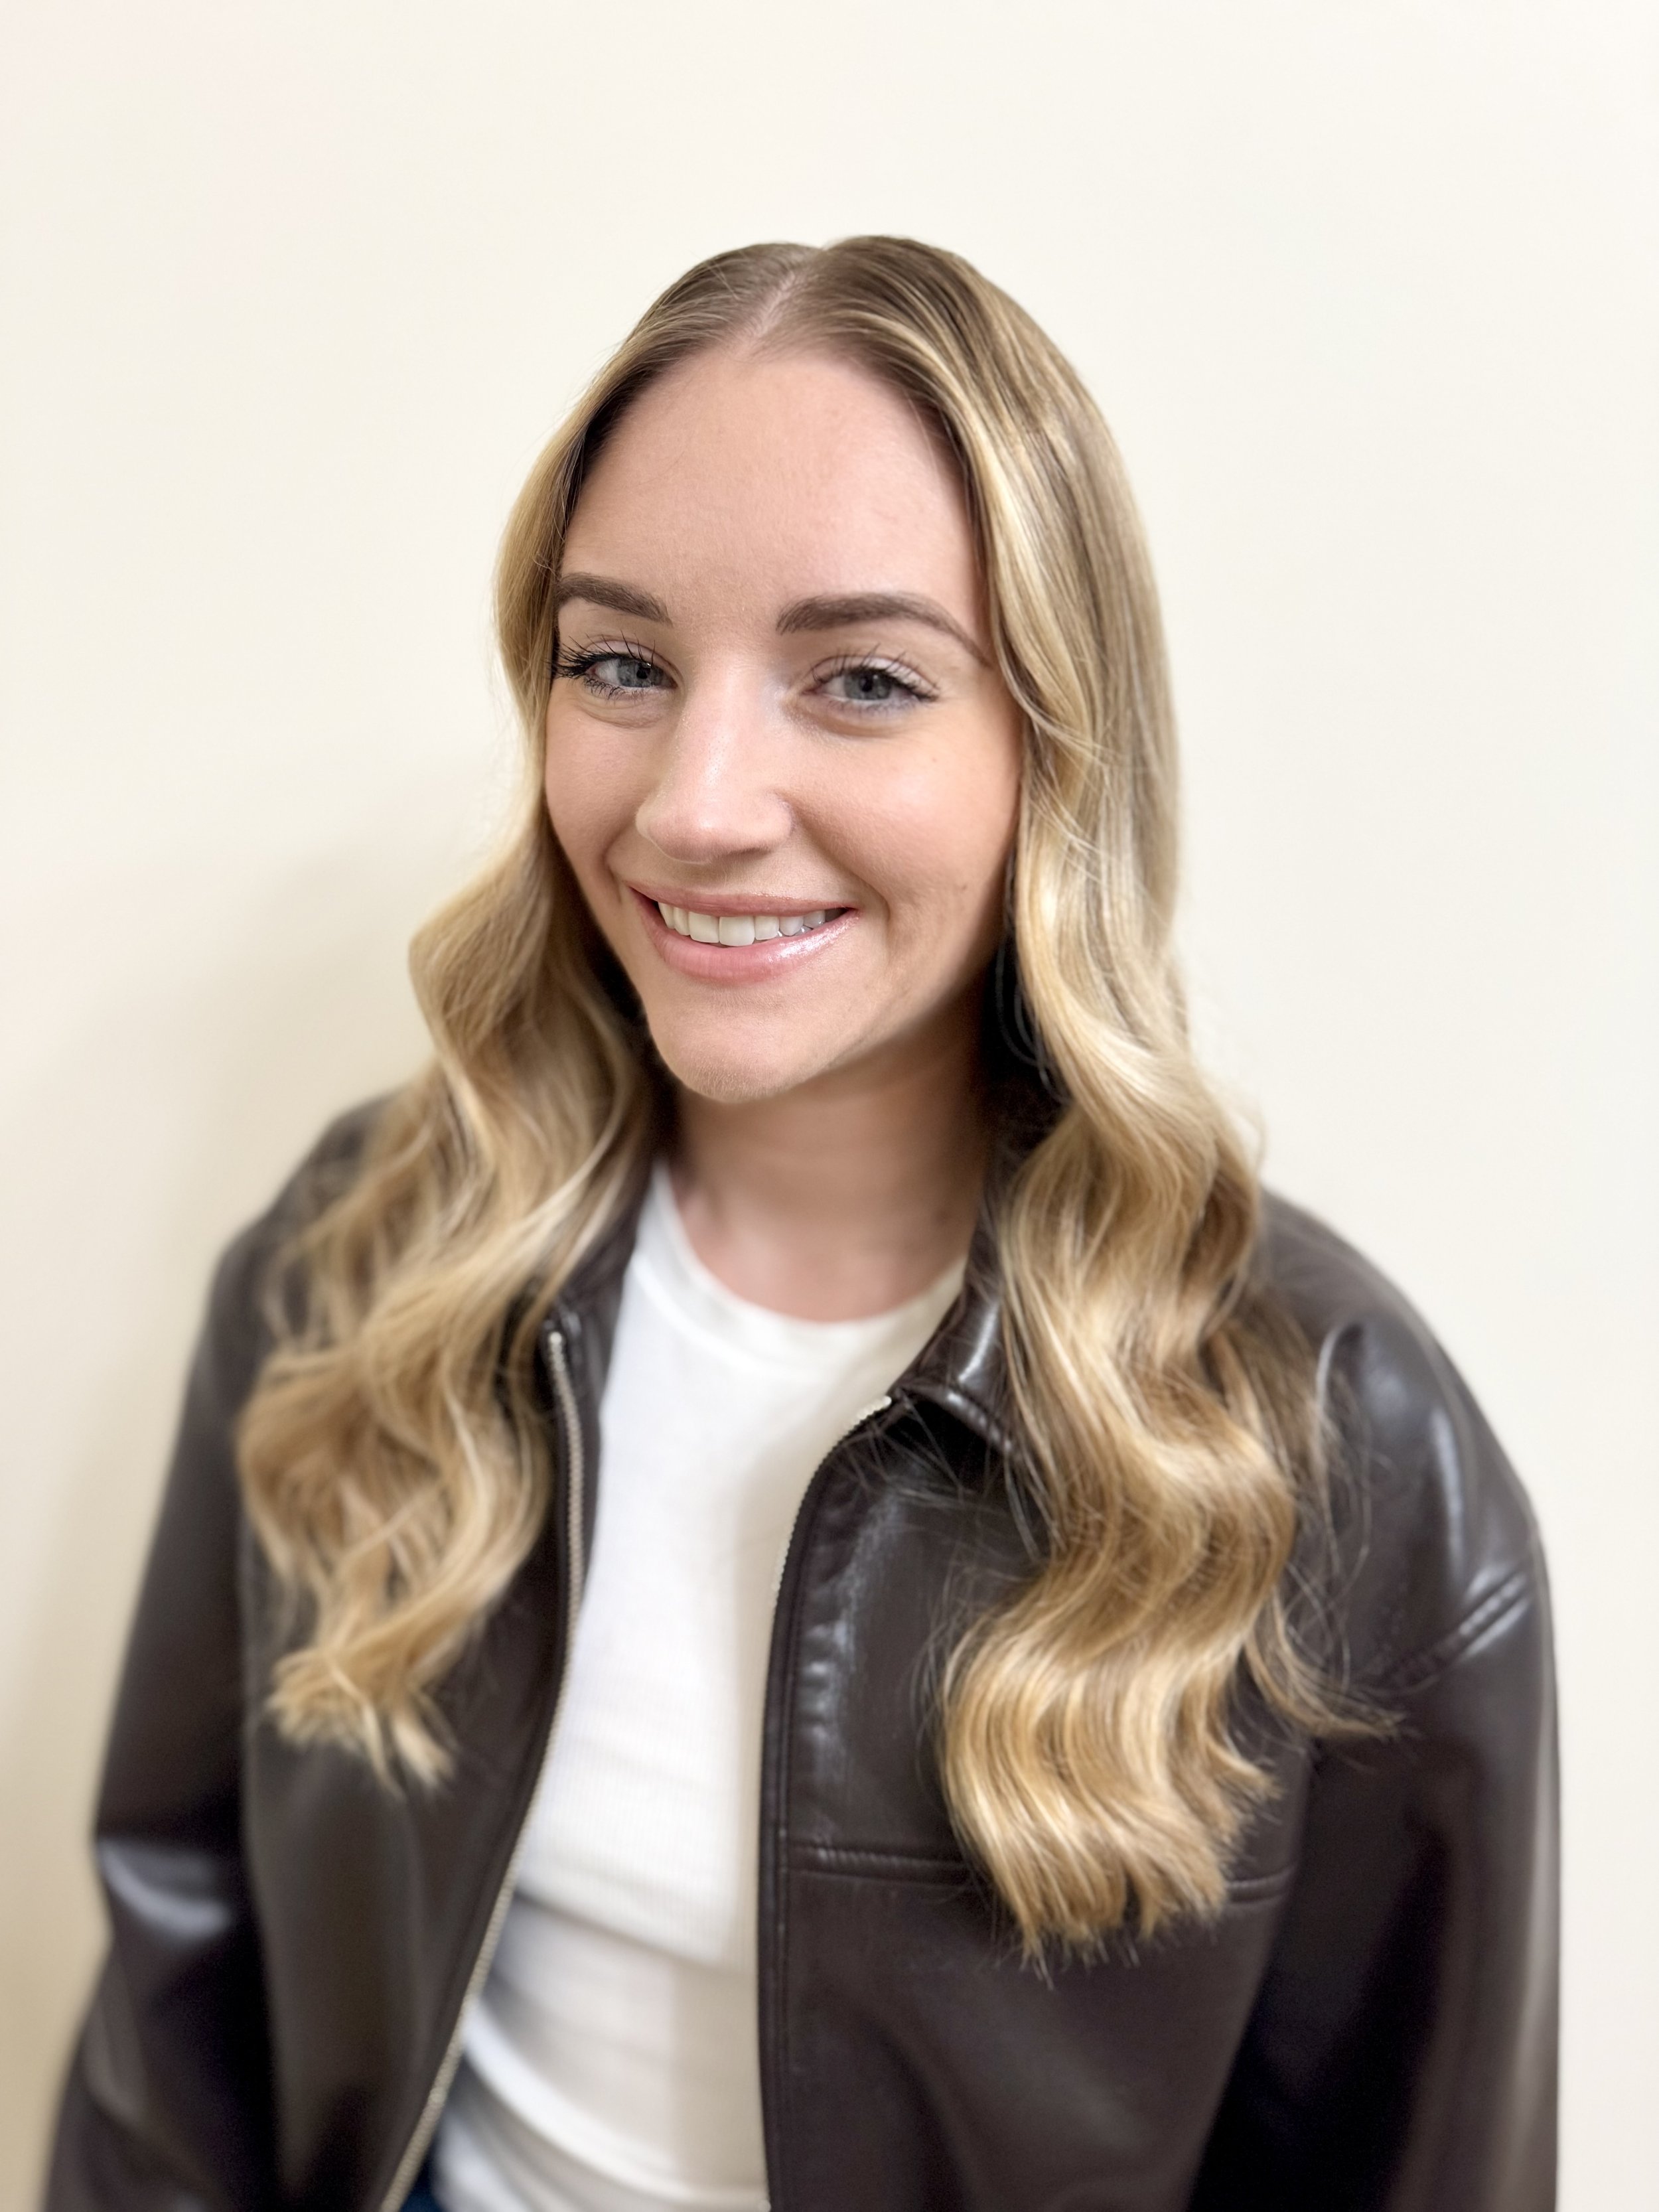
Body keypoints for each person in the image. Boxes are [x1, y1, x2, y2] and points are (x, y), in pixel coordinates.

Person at [44, 238, 1556, 2212]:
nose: (695, 802)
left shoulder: (1340, 1445)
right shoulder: (366, 1259)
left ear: (1053, 751)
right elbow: (182, 2013)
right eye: (622, 663)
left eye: (859, 679)